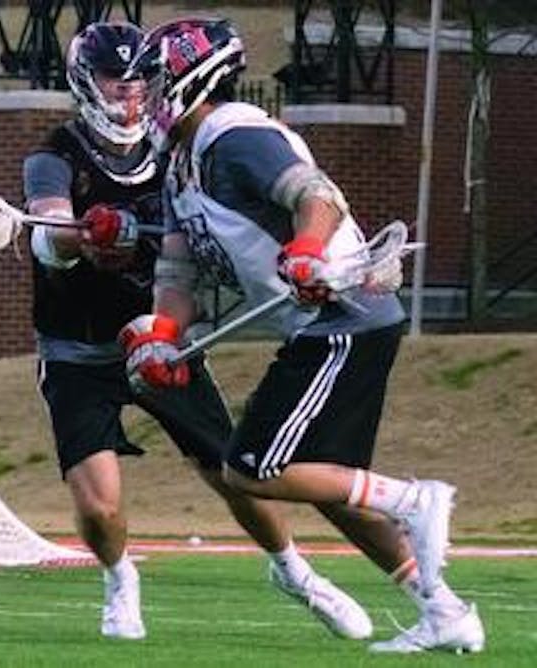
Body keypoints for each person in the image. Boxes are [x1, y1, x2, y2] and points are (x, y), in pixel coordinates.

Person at [121, 17, 485, 653]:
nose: (142, 96)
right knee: (333, 487)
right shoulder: (180, 167)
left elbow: (315, 195)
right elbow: (176, 270)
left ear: (189, 77)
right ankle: (444, 609)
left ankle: (415, 500)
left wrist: (309, 248)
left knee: (253, 469)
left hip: (342, 316)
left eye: (153, 80)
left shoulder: (230, 137)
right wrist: (163, 334)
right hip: (318, 327)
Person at [25, 22, 371, 642]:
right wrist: (83, 234)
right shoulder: (56, 154)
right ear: (85, 82)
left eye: (138, 81)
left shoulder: (172, 151)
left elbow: (191, 246)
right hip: (78, 347)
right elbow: (48, 236)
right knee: (100, 502)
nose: (130, 96)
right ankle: (120, 579)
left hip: (159, 335)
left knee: (230, 469)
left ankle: (294, 571)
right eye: (114, 81)